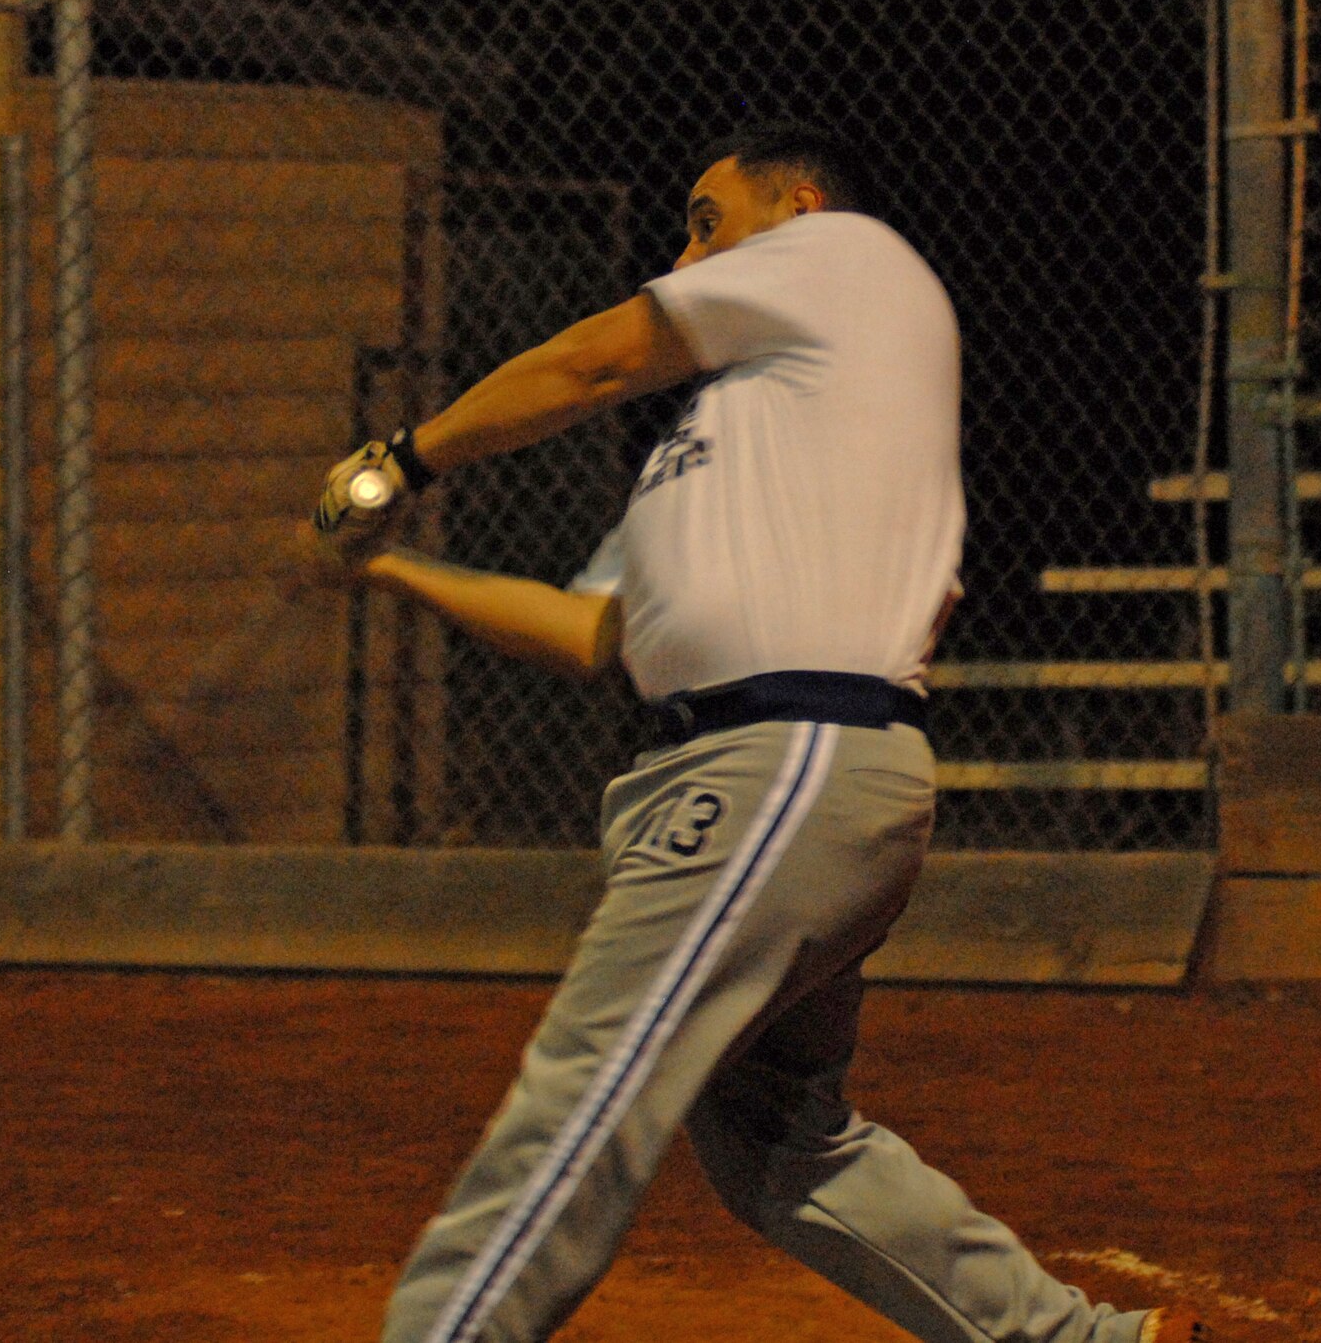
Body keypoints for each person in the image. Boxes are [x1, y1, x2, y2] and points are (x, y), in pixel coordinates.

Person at [306, 123, 1206, 1343]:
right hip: (746, 775)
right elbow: (592, 635)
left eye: (705, 221)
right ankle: (1072, 1342)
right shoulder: (745, 427)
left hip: (779, 763)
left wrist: (400, 456)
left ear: (792, 205)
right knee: (783, 1144)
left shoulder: (843, 254)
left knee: (591, 1084)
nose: (685, 253)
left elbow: (588, 362)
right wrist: (390, 572)